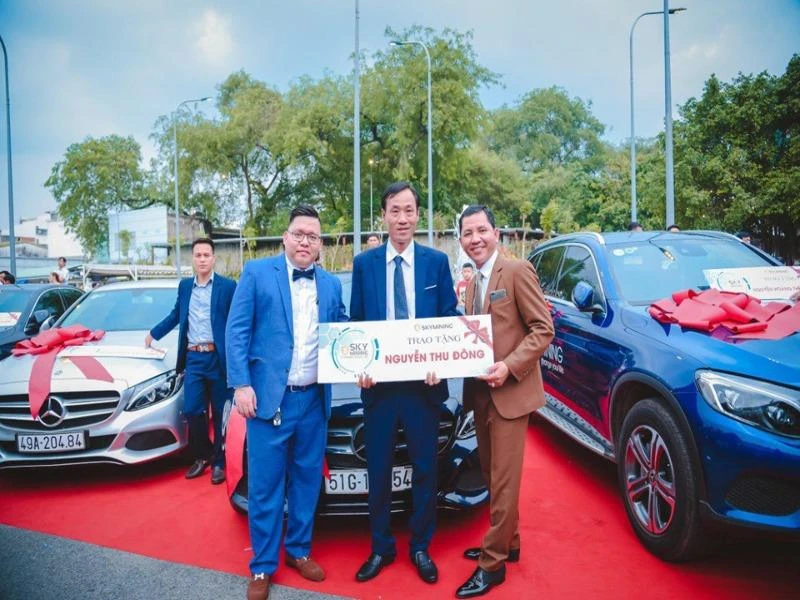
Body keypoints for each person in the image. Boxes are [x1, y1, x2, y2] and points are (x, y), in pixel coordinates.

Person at [226, 205, 347, 600]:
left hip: (313, 401)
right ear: (285, 237)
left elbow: (344, 332)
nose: (305, 241)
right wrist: (240, 384)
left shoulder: (331, 284)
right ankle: (262, 565)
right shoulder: (257, 273)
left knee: (307, 481)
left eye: (313, 236)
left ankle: (298, 550)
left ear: (320, 243)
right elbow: (236, 331)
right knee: (265, 487)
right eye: (299, 234)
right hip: (267, 401)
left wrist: (372, 356)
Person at [350, 181, 459, 585]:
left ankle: (420, 546)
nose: (402, 218)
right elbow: (356, 323)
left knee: (425, 469)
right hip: (379, 389)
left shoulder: (436, 262)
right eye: (394, 210)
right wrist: (359, 364)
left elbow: (449, 317)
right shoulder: (364, 264)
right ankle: (381, 547)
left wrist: (440, 361)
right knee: (377, 470)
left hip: (422, 388)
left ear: (417, 215)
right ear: (383, 215)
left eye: (409, 210)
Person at [455, 205, 554, 599]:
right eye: (467, 233)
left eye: (482, 230)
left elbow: (542, 329)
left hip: (510, 394)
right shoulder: (473, 285)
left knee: (505, 480)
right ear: (461, 240)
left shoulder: (515, 271)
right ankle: (509, 543)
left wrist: (510, 367)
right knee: (492, 475)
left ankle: (492, 563)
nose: (475, 239)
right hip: (481, 396)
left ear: (496, 233)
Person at [146, 238, 236, 484]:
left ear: (213, 258)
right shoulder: (185, 287)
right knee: (193, 410)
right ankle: (203, 454)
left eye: (206, 255)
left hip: (218, 359)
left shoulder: (228, 286)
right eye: (198, 255)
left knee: (221, 413)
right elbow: (176, 315)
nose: (202, 259)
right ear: (193, 259)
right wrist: (154, 333)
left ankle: (219, 462)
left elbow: (237, 320)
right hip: (194, 358)